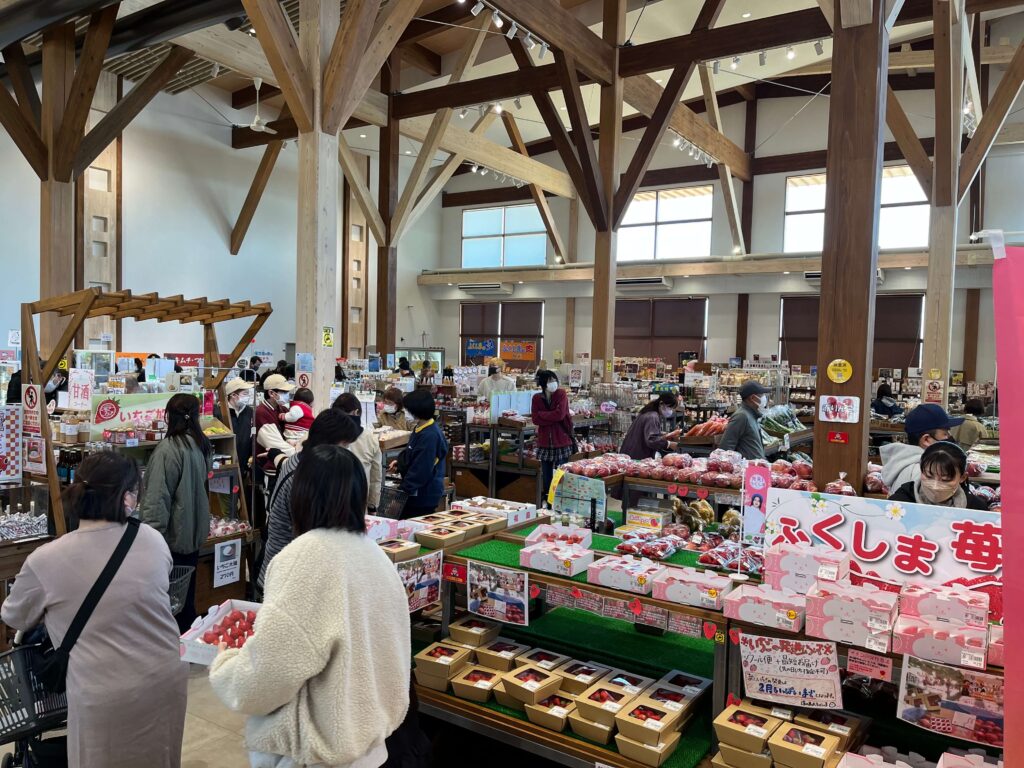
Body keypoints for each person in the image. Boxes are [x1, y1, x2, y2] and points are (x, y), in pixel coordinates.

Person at [210, 445, 411, 768]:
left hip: (316, 754)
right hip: (371, 745)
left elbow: (268, 674)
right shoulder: (376, 557)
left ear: (300, 494)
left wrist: (226, 665)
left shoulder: (304, 558)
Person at [2, 452, 188, 768]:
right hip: (166, 678)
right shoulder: (153, 541)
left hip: (103, 693)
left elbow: (14, 616)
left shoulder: (47, 560)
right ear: (128, 497)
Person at [258, 411, 363, 592]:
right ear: (328, 444)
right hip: (288, 574)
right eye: (344, 445)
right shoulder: (307, 476)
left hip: (281, 566)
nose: (347, 452)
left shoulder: (299, 461)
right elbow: (314, 536)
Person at [139, 393, 212, 631]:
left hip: (170, 538)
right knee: (185, 598)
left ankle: (171, 651)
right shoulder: (201, 444)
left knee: (166, 602)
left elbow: (156, 498)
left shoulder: (168, 449)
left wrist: (150, 539)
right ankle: (186, 645)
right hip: (193, 534)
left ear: (169, 416)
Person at [880, 403, 964, 492]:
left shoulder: (905, 462)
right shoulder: (924, 473)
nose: (949, 437)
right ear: (926, 440)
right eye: (945, 433)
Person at [888, 441, 989, 510]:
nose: (935, 486)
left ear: (962, 478)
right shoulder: (900, 502)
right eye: (928, 476)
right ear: (921, 470)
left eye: (945, 479)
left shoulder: (976, 508)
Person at [396, 389, 448, 518]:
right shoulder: (420, 427)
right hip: (417, 492)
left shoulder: (429, 435)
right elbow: (413, 452)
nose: (405, 413)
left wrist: (404, 490)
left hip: (423, 495)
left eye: (407, 410)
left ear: (417, 410)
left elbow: (422, 468)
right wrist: (400, 462)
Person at [333, 392, 383, 510]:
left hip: (328, 505)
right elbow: (376, 477)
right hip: (358, 504)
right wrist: (373, 505)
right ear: (357, 412)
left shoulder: (323, 433)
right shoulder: (369, 438)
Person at [531, 370, 575, 503]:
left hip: (561, 440)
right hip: (545, 442)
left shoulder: (561, 394)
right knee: (547, 477)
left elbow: (560, 415)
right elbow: (535, 419)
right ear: (543, 383)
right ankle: (549, 501)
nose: (553, 383)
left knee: (562, 475)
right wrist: (551, 415)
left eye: (554, 380)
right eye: (550, 381)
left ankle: (562, 501)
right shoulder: (537, 398)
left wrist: (543, 414)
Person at [620, 392, 683, 460]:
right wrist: (669, 444)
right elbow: (652, 440)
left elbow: (646, 431)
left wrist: (664, 434)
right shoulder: (652, 416)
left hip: (632, 451)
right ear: (661, 403)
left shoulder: (648, 412)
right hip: (637, 455)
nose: (671, 411)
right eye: (670, 408)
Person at [719, 380, 771, 460]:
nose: (764, 398)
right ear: (752, 398)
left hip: (756, 468)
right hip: (747, 469)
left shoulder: (752, 415)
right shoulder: (741, 416)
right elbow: (726, 448)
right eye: (761, 395)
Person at [226, 377, 255, 472]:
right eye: (245, 394)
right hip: (225, 459)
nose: (248, 397)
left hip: (245, 460)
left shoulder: (249, 411)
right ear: (233, 395)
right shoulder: (221, 412)